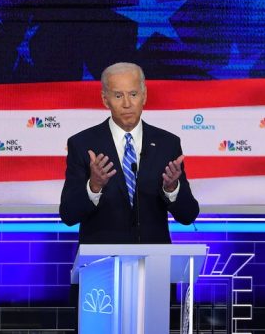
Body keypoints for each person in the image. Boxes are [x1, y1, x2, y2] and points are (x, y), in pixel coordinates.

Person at [59, 62, 199, 243]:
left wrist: (172, 189)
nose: (127, 104)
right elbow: (69, 215)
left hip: (153, 262)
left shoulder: (167, 144)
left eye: (133, 94)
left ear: (144, 95)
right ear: (105, 99)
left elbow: (188, 215)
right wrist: (94, 186)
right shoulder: (83, 144)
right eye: (118, 95)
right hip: (101, 262)